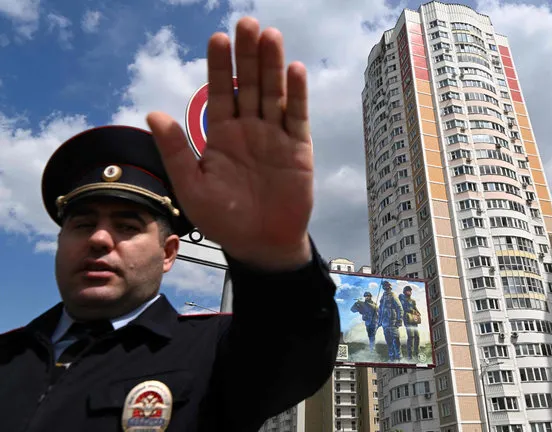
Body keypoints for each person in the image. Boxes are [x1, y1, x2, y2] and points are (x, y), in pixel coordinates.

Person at [0, 16, 340, 432]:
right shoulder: (8, 354)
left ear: (168, 253)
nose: (100, 239)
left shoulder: (212, 350)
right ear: (58, 241)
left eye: (127, 226)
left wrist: (273, 256)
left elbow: (292, 355)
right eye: (82, 224)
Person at [377, 280, 403, 361]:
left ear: (389, 286)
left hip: (393, 321)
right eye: (384, 286)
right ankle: (391, 357)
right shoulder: (382, 296)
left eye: (386, 286)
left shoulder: (393, 295)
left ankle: (399, 357)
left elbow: (399, 308)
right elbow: (380, 310)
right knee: (388, 341)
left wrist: (399, 320)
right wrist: (379, 322)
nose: (385, 287)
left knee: (396, 340)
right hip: (385, 323)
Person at [398, 285, 421, 361]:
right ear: (405, 292)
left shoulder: (413, 301)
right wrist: (411, 311)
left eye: (410, 291)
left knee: (417, 336)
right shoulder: (402, 299)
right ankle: (409, 355)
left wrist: (418, 312)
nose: (410, 292)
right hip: (407, 319)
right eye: (408, 291)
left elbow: (415, 308)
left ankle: (416, 353)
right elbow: (403, 307)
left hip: (414, 319)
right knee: (411, 336)